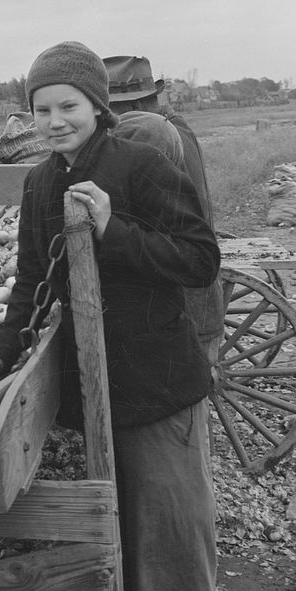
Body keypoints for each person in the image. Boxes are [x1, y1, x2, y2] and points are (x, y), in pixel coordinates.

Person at [0, 41, 223, 591]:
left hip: (156, 385)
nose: (55, 119)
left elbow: (198, 257)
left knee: (169, 540)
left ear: (98, 106)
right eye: (42, 108)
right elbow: (31, 288)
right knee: (104, 533)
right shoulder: (38, 185)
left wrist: (112, 230)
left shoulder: (140, 165)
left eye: (67, 105)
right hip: (88, 393)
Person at [104, 55, 225, 366]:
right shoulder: (175, 125)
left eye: (108, 110)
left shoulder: (148, 135)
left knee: (189, 387)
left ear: (130, 108)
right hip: (196, 287)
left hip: (183, 297)